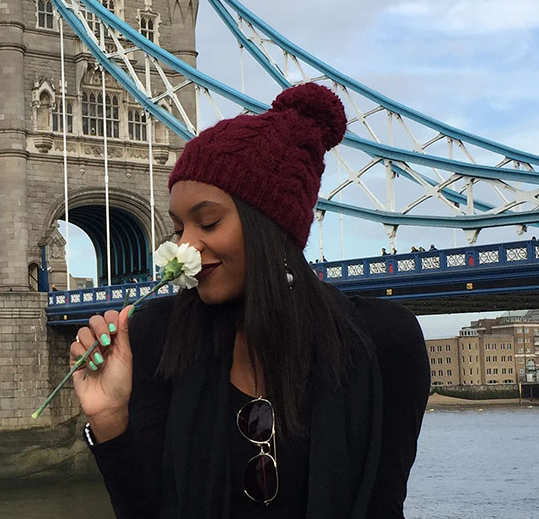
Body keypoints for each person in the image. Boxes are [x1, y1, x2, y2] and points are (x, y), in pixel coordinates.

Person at [70, 83, 429, 518]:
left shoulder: (384, 341)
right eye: (179, 228)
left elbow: (383, 506)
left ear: (272, 226)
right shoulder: (156, 336)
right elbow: (147, 509)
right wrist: (109, 418)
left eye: (208, 221)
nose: (186, 246)